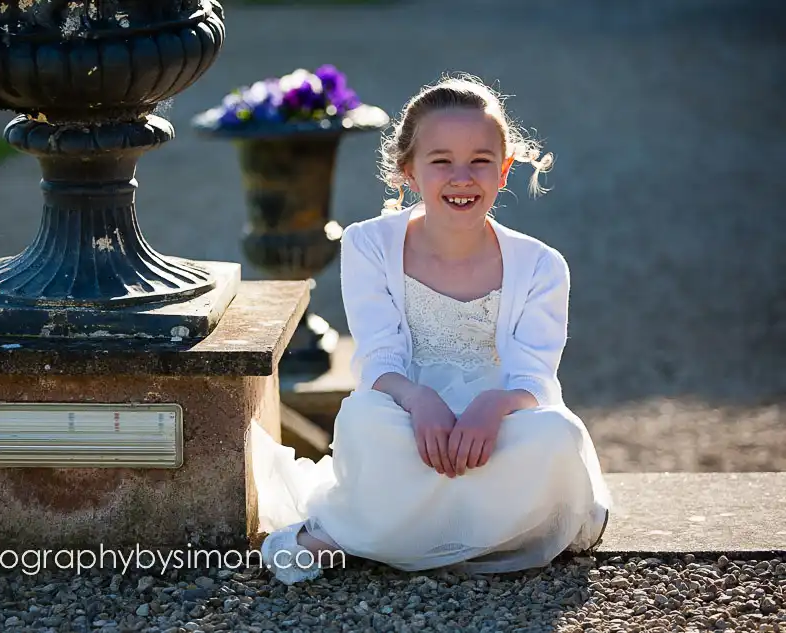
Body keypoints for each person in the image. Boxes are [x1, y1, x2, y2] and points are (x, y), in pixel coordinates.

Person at [249, 73, 612, 585]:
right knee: (362, 422)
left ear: (505, 171)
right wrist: (418, 400)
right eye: (440, 161)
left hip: (498, 428)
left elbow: (534, 375)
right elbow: (379, 360)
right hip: (405, 417)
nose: (461, 177)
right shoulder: (368, 245)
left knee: (559, 434)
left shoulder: (542, 265)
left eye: (481, 161)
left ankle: (373, 532)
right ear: (408, 172)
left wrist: (494, 406)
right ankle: (407, 525)